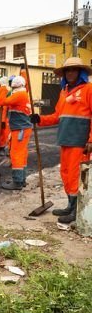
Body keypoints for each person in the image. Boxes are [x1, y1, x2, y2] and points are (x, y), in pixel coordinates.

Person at [31, 57, 92, 224]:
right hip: (65, 139)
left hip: (80, 141)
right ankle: (70, 206)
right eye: (68, 70)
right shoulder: (64, 91)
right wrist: (39, 119)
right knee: (65, 174)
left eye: (74, 70)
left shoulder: (89, 89)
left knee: (75, 176)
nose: (70, 73)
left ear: (81, 72)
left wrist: (91, 140)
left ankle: (77, 209)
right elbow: (57, 116)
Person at [0, 76, 32, 190]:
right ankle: (21, 180)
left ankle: (17, 182)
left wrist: (2, 89)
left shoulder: (19, 95)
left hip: (20, 129)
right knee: (22, 154)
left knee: (16, 154)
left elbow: (2, 101)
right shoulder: (22, 94)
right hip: (22, 128)